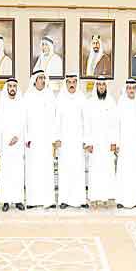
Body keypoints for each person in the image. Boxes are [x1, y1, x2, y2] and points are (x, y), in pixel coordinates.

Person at [24, 69, 57, 208]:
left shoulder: (50, 95)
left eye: (44, 78)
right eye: (40, 78)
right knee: (33, 170)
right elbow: (24, 119)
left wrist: (54, 138)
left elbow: (54, 118)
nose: (43, 80)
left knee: (46, 169)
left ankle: (48, 200)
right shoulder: (28, 96)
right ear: (35, 80)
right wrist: (27, 137)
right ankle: (32, 201)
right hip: (33, 140)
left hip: (46, 139)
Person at [54, 74, 87, 208]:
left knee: (78, 169)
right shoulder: (60, 98)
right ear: (66, 84)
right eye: (69, 82)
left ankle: (80, 200)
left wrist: (86, 139)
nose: (72, 84)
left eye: (74, 82)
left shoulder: (82, 98)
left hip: (78, 140)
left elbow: (86, 120)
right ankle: (64, 200)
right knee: (65, 170)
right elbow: (56, 120)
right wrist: (57, 138)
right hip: (65, 141)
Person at [84, 77, 117, 208]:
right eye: (99, 85)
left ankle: (106, 197)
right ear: (96, 86)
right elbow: (87, 124)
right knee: (95, 170)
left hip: (107, 143)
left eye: (103, 85)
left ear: (106, 87)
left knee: (108, 169)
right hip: (95, 143)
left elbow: (115, 124)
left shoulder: (111, 102)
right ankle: (94, 198)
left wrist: (114, 141)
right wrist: (88, 142)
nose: (101, 87)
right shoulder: (90, 103)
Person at [115, 79, 136, 209]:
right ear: (126, 90)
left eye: (133, 88)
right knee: (123, 171)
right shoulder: (120, 104)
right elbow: (116, 125)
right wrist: (116, 143)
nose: (131, 90)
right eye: (129, 88)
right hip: (124, 143)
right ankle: (121, 200)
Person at [0, 78, 25, 212]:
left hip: (18, 143)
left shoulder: (21, 103)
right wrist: (5, 140)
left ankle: (18, 200)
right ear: (7, 88)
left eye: (14, 86)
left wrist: (17, 136)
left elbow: (23, 122)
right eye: (10, 86)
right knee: (6, 172)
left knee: (18, 172)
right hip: (6, 143)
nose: (12, 88)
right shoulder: (2, 103)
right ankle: (6, 201)